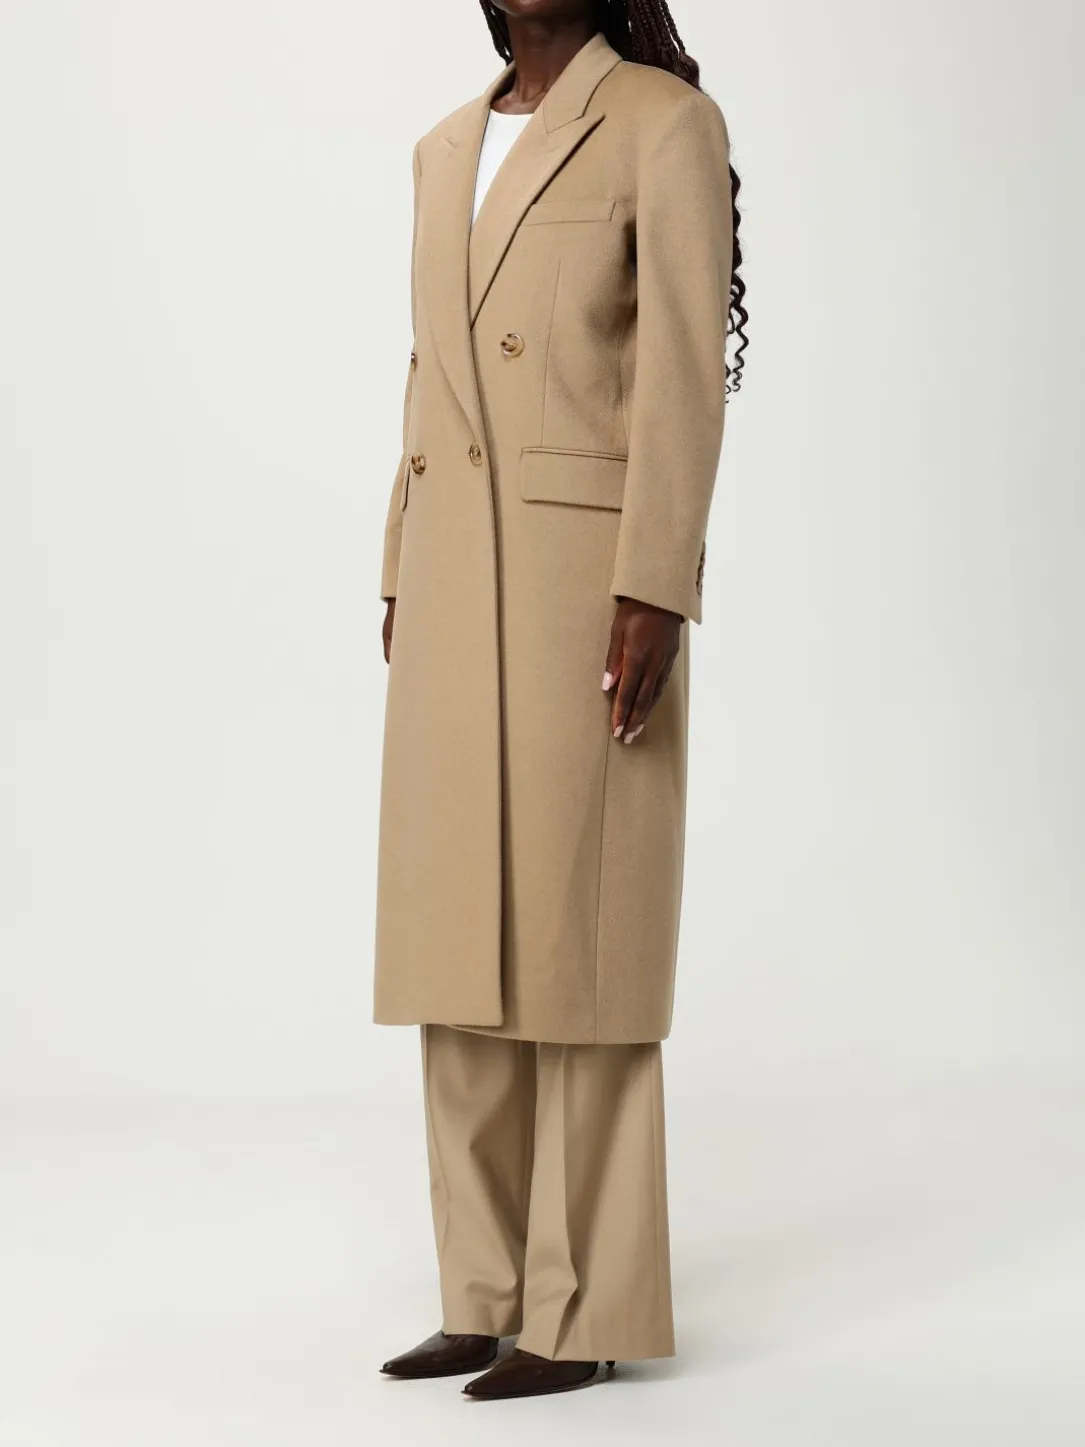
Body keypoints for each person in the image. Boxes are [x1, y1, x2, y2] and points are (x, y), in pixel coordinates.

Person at [374, 0, 747, 1401]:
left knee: (581, 934)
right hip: (452, 574)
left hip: (580, 579)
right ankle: (481, 1289)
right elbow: (430, 374)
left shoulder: (663, 125)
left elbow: (684, 374)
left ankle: (579, 1304)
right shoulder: (442, 146)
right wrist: (399, 562)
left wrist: (656, 581)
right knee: (457, 928)